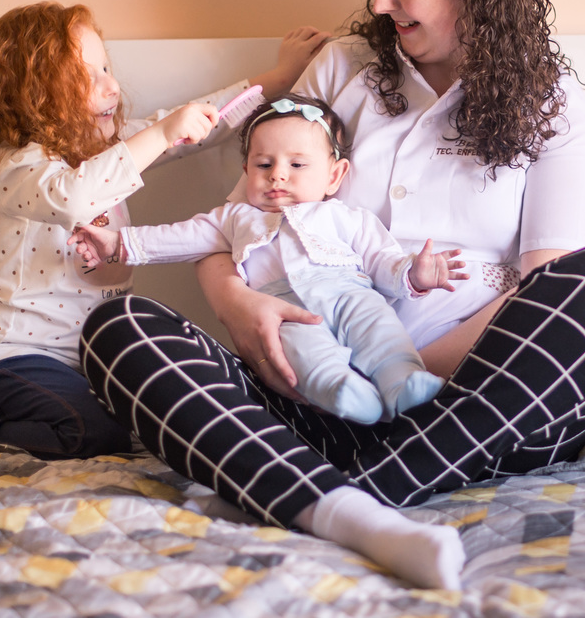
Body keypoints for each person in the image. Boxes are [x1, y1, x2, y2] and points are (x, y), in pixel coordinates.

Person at [78, 0, 585, 591]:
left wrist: (399, 365)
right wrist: (241, 310)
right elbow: (235, 224)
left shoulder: (551, 102)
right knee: (117, 330)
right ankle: (353, 500)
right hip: (307, 387)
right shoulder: (342, 69)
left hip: (471, 405)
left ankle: (346, 497)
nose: (380, 1)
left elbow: (547, 292)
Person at [0, 1, 329, 459]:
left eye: (106, 68)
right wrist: (160, 134)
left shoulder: (104, 148)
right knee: (93, 437)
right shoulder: (19, 167)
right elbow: (74, 196)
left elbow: (201, 126)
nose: (112, 85)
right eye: (86, 77)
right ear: (32, 95)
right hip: (18, 357)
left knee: (156, 415)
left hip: (91, 359)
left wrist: (277, 79)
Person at [69, 95, 465, 424]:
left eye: (297, 165)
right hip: (283, 309)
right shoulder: (234, 218)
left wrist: (414, 273)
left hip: (351, 294)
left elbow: (383, 260)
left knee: (381, 332)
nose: (278, 175)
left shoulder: (347, 217)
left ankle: (404, 381)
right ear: (247, 171)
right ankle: (339, 389)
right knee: (301, 352)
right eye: (264, 165)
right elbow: (176, 238)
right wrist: (115, 243)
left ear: (334, 175)